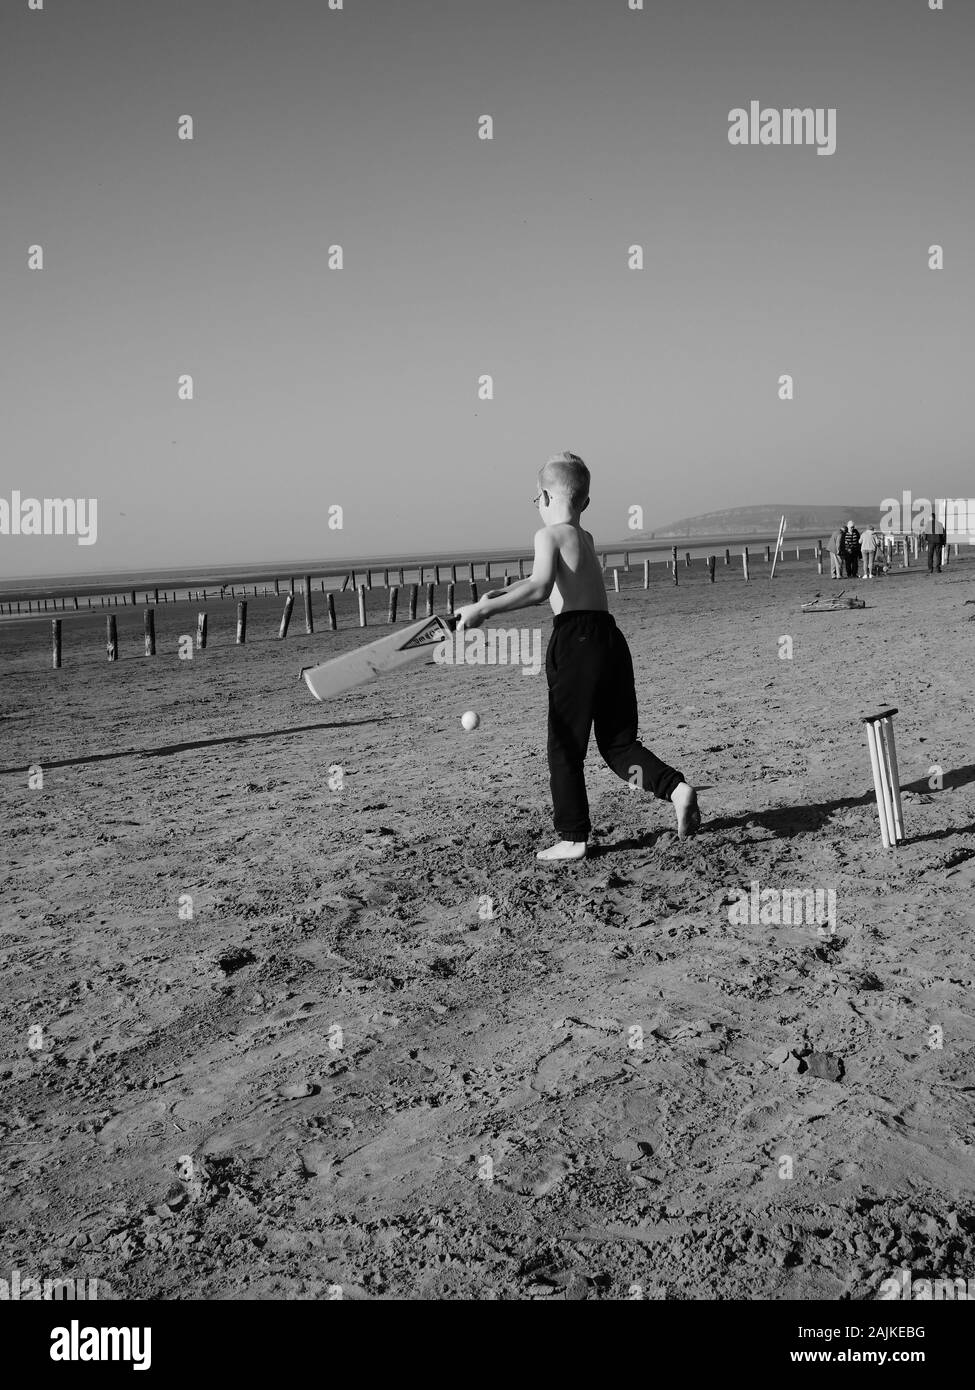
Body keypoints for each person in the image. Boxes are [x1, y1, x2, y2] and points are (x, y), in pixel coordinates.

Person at [454, 451, 700, 861]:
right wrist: (499, 593)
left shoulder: (547, 536)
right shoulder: (585, 539)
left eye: (536, 501)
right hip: (609, 639)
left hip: (574, 643)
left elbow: (539, 587)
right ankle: (677, 789)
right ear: (583, 502)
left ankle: (572, 836)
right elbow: (546, 581)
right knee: (619, 744)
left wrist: (483, 611)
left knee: (566, 746)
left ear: (545, 498)